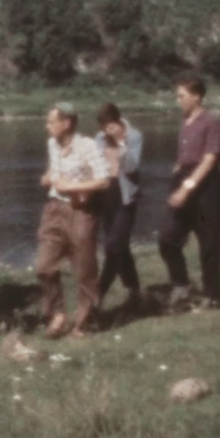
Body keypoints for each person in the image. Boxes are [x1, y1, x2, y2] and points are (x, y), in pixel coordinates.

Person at [36, 102, 111, 338]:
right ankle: (58, 313)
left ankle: (85, 322)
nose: (47, 126)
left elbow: (104, 180)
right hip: (54, 209)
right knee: (43, 265)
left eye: (51, 121)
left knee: (84, 268)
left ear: (66, 123)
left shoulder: (87, 146)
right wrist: (49, 177)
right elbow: (56, 169)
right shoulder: (52, 144)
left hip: (82, 209)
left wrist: (72, 186)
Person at [159, 74, 220, 311]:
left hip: (206, 186)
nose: (178, 101)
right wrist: (176, 176)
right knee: (167, 238)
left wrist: (187, 187)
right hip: (185, 178)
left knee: (209, 243)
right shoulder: (185, 121)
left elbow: (209, 158)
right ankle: (181, 284)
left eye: (182, 96)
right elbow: (184, 156)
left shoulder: (211, 121)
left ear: (197, 97)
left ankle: (213, 296)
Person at [95, 103, 144, 310]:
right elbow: (95, 165)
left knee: (113, 246)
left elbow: (133, 167)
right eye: (104, 126)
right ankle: (134, 290)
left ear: (118, 121)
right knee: (120, 247)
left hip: (126, 198)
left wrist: (120, 144)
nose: (107, 130)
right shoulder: (99, 139)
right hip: (106, 197)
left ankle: (98, 293)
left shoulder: (134, 136)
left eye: (110, 125)